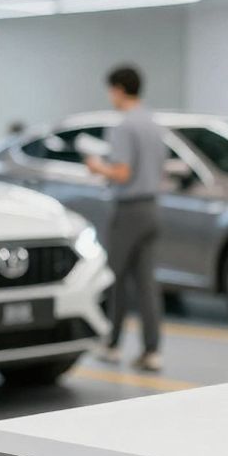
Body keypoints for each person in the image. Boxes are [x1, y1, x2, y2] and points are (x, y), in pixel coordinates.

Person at [85, 64, 170, 373]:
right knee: (147, 284)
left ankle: (111, 344)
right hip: (152, 208)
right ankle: (152, 350)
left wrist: (98, 167)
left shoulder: (122, 127)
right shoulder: (153, 123)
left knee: (115, 279)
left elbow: (122, 172)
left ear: (119, 89)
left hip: (129, 210)